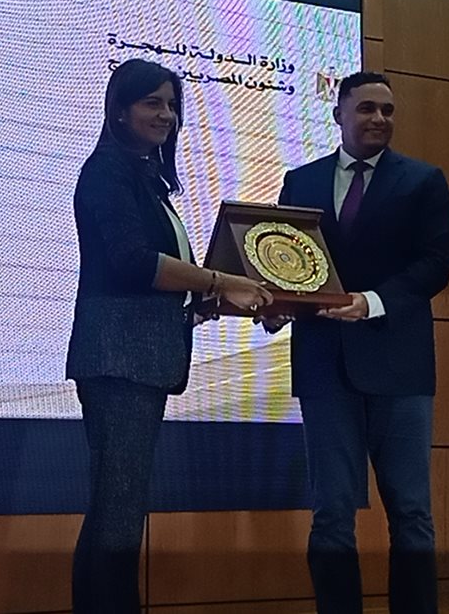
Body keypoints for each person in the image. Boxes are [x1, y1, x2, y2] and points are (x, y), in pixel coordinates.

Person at [67, 58, 274, 614]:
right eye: (152, 102)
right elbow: (133, 263)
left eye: (172, 105)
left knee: (116, 508)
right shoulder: (107, 172)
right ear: (119, 111)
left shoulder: (143, 176)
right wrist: (222, 281)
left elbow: (151, 279)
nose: (166, 115)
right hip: (120, 359)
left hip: (139, 355)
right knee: (119, 511)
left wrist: (214, 300)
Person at [267, 71, 449, 614]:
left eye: (387, 111)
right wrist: (275, 303)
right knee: (331, 514)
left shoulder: (424, 180)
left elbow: (437, 263)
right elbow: (286, 260)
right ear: (338, 115)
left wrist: (371, 301)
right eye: (367, 108)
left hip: (400, 367)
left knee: (412, 513)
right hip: (324, 366)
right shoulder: (300, 182)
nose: (379, 118)